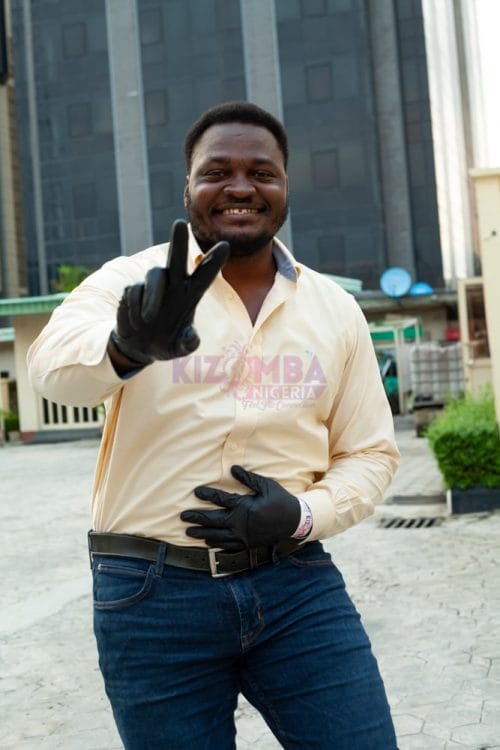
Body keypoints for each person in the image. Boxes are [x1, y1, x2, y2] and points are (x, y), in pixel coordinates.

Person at [27, 101, 400, 749]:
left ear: (285, 186)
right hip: (152, 598)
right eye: (217, 171)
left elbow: (370, 452)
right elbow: (51, 371)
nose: (240, 187)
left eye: (262, 172)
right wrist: (125, 347)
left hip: (296, 586)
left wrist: (301, 515)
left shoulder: (335, 309)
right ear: (188, 187)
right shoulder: (130, 283)